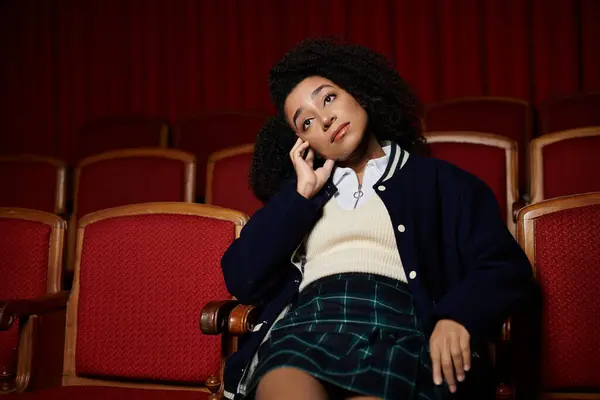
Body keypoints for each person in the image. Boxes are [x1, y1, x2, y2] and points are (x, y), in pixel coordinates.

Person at [219, 37, 534, 400]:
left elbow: (504, 265)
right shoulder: (299, 199)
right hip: (307, 324)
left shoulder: (442, 182)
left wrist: (457, 316)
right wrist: (298, 196)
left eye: (329, 98)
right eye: (306, 122)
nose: (325, 119)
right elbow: (241, 277)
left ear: (357, 91)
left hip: (403, 327)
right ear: (303, 144)